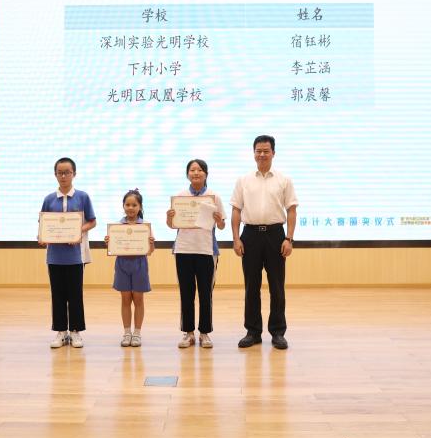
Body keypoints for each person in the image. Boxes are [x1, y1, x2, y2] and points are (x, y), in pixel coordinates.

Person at [230, 135, 298, 350]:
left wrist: (289, 238)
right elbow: (236, 210)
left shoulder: (284, 180)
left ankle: (278, 332)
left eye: (266, 151)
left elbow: (291, 210)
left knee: (277, 286)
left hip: (275, 235)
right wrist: (236, 239)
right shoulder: (243, 180)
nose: (261, 154)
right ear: (253, 153)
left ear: (273, 153)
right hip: (250, 235)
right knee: (251, 286)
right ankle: (253, 332)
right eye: (258, 151)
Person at [166, 159, 226, 349]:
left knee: (205, 294)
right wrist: (169, 218)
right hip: (183, 249)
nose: (196, 173)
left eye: (200, 170)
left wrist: (219, 220)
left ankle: (205, 333)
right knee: (186, 293)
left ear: (206, 174)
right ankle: (188, 333)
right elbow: (172, 225)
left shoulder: (214, 197)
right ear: (187, 174)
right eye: (192, 170)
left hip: (206, 251)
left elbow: (222, 225)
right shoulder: (180, 197)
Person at [39, 157, 97, 349]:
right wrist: (42, 236)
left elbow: (92, 221)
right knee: (57, 294)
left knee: (75, 294)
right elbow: (43, 223)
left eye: (67, 172)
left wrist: (78, 231)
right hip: (54, 256)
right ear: (55, 174)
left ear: (74, 174)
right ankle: (61, 332)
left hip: (75, 256)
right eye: (60, 173)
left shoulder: (82, 197)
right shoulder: (49, 199)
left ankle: (75, 331)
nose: (63, 176)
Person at [106, 189, 155, 347]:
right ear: (123, 206)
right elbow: (113, 249)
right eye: (127, 204)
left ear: (140, 207)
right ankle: (127, 333)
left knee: (138, 299)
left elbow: (150, 251)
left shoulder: (145, 227)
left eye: (134, 205)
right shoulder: (117, 227)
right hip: (122, 264)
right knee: (125, 299)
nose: (131, 208)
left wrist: (151, 243)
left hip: (139, 264)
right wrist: (109, 243)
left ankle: (137, 333)